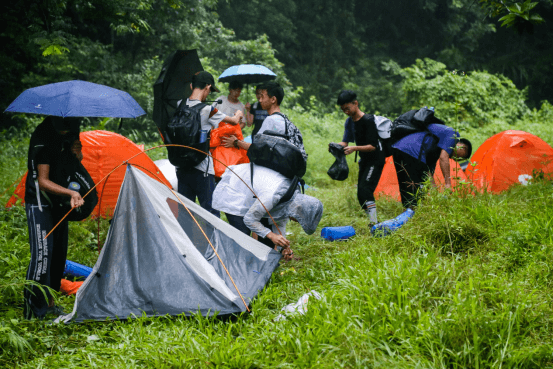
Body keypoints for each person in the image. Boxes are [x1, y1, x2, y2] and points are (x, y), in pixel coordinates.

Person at [24, 116, 85, 320]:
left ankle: (49, 304)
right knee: (43, 254)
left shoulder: (72, 129)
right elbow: (42, 181)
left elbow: (73, 164)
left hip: (59, 202)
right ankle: (33, 312)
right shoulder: (44, 136)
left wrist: (77, 154)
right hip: (40, 203)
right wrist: (71, 194)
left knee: (58, 256)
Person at [212, 163, 323, 259]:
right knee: (242, 236)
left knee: (265, 239)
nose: (295, 221)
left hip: (254, 195)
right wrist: (271, 235)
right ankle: (230, 265)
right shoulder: (273, 196)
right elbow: (249, 219)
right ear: (298, 211)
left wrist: (283, 247)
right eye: (298, 220)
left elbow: (279, 223)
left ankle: (255, 265)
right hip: (235, 188)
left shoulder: (292, 197)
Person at [176, 71, 243, 217]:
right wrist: (238, 113)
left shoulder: (179, 105)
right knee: (211, 214)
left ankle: (186, 240)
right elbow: (233, 121)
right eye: (209, 90)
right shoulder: (208, 109)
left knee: (185, 213)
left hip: (181, 168)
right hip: (203, 170)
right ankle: (213, 240)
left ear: (191, 85)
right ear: (207, 87)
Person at [333, 90, 386, 226]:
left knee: (366, 190)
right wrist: (335, 146)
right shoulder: (349, 122)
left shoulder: (368, 121)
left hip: (376, 159)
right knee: (360, 195)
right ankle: (372, 220)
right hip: (365, 161)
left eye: (347, 108)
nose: (346, 112)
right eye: (343, 110)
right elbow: (345, 142)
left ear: (355, 103)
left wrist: (355, 148)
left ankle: (374, 224)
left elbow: (373, 146)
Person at [391, 123, 472, 209]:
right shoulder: (453, 135)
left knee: (407, 185)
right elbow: (443, 158)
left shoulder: (433, 150)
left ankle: (408, 213)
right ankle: (411, 213)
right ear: (463, 147)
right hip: (412, 150)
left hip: (398, 148)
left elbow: (427, 174)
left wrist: (435, 194)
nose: (456, 159)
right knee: (413, 186)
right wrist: (448, 184)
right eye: (460, 157)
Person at [221, 81, 307, 162]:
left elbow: (256, 147)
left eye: (262, 96)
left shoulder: (271, 120)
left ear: (273, 99)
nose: (260, 100)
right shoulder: (284, 119)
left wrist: (236, 142)